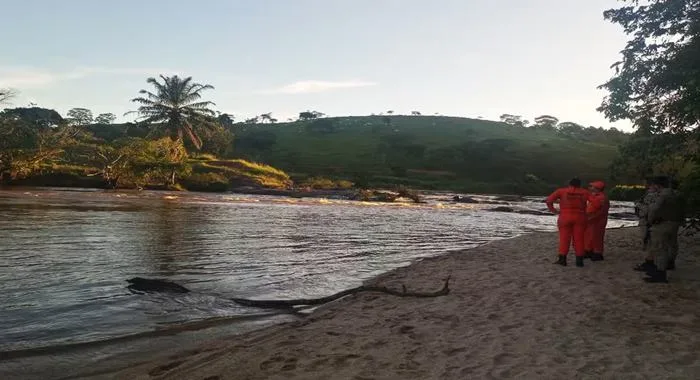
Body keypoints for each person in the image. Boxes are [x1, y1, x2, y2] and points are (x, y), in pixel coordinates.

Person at [644, 176, 685, 283]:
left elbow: (654, 209)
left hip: (662, 223)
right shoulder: (678, 194)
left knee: (659, 248)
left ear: (658, 185)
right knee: (670, 244)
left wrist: (650, 220)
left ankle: (660, 273)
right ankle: (668, 264)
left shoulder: (662, 195)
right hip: (674, 223)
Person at [546, 178, 591, 267]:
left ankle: (562, 260)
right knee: (579, 239)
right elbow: (596, 202)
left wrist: (554, 210)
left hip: (565, 216)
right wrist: (590, 213)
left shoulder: (561, 191)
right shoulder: (585, 192)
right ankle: (579, 261)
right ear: (580, 185)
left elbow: (549, 201)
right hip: (580, 217)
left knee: (564, 238)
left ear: (569, 184)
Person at [632, 178, 659, 272]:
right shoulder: (655, 195)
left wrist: (638, 204)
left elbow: (648, 209)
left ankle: (650, 262)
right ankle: (651, 261)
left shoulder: (652, 195)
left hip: (647, 221)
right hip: (648, 220)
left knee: (647, 242)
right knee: (649, 242)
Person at [584, 181, 610, 261]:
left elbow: (600, 211)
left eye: (592, 187)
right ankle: (589, 251)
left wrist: (590, 217)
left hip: (598, 220)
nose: (590, 188)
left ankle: (597, 253)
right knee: (589, 236)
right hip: (592, 219)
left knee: (597, 237)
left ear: (597, 188)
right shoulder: (596, 196)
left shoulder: (601, 197)